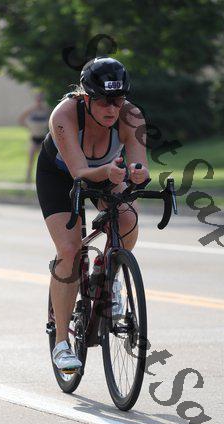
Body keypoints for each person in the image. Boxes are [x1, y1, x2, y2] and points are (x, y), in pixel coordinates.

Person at [36, 57, 149, 372]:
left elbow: (139, 164)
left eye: (118, 99)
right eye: (103, 101)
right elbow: (80, 173)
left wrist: (138, 174)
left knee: (127, 219)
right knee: (70, 249)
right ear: (86, 98)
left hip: (107, 173)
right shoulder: (64, 115)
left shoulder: (131, 116)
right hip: (61, 176)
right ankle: (62, 343)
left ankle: (109, 274)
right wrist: (112, 173)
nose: (112, 108)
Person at [19, 92, 51, 183]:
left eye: (41, 99)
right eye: (38, 99)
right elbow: (21, 119)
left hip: (43, 139)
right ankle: (28, 178)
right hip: (34, 138)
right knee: (31, 160)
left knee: (43, 161)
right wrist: (29, 127)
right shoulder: (31, 110)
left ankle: (43, 179)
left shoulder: (46, 110)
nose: (39, 101)